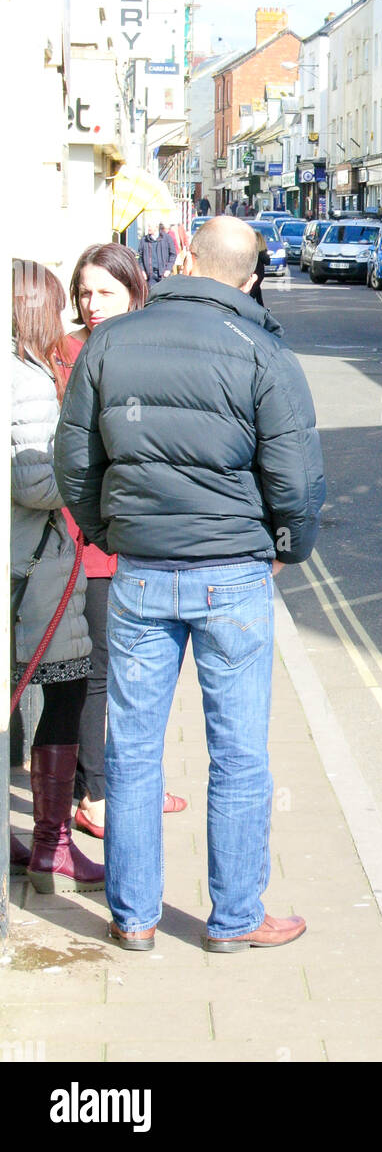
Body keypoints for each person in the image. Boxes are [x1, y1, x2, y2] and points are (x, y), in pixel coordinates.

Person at [55, 217, 326, 953]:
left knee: (133, 750)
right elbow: (298, 484)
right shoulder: (264, 351)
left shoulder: (109, 343)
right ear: (248, 279)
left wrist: (112, 533)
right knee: (238, 752)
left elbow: (73, 464)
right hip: (233, 577)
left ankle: (134, 917)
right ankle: (235, 920)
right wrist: (284, 549)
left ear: (182, 260)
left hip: (141, 573)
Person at [63, 243, 187, 842]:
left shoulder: (141, 351)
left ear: (135, 294)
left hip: (142, 539)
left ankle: (132, 781)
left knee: (141, 671)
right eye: (84, 293)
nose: (92, 305)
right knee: (100, 669)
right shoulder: (74, 355)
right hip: (94, 539)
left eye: (104, 293)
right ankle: (95, 793)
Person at [11, 259, 103, 894]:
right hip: (39, 564)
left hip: (28, 563)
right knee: (63, 692)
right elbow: (34, 481)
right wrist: (90, 463)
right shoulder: (27, 381)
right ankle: (52, 847)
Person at [138, 222, 177, 291]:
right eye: (148, 226)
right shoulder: (144, 240)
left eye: (150, 226)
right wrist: (142, 271)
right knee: (152, 295)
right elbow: (140, 258)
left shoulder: (167, 238)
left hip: (163, 274)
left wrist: (168, 269)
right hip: (150, 276)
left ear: (156, 227)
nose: (148, 228)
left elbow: (173, 254)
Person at [249, 230, 269, 307]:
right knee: (257, 292)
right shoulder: (255, 251)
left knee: (253, 292)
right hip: (256, 273)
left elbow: (267, 261)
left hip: (257, 273)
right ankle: (261, 307)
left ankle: (247, 307)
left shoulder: (260, 252)